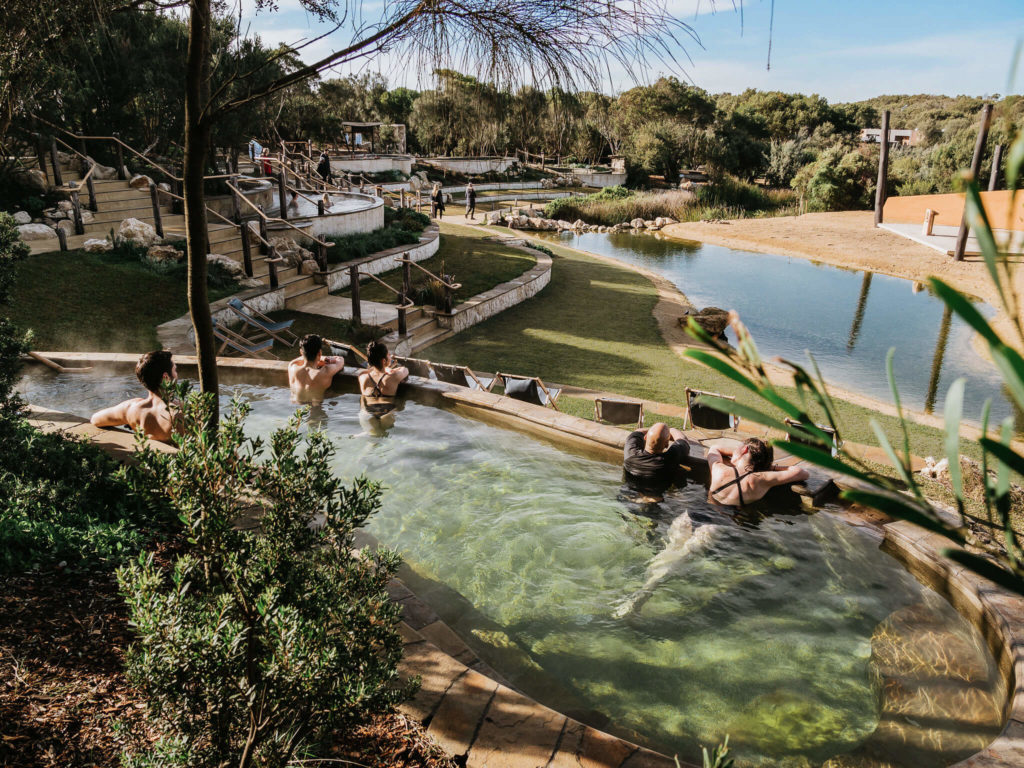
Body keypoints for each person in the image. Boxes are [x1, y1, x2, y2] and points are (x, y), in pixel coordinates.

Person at [90, 350, 179, 442]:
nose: (177, 374)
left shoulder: (131, 408)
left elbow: (95, 419)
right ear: (166, 377)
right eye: (175, 370)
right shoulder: (182, 412)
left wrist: (131, 421)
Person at [707, 438, 808, 507]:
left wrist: (736, 456)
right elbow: (802, 473)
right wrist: (768, 467)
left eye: (737, 447)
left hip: (709, 519)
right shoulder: (762, 479)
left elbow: (714, 448)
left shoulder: (719, 470)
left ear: (744, 449)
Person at [622, 423, 690, 500]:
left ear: (645, 437)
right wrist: (669, 430)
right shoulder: (671, 458)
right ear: (667, 444)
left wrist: (654, 432)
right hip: (655, 502)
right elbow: (682, 439)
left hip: (628, 498)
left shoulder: (631, 453)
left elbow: (638, 432)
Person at [357, 341, 409, 432]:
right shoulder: (393, 377)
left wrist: (385, 368)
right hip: (387, 414)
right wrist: (389, 369)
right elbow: (405, 369)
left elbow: (366, 371)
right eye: (388, 355)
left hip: (366, 414)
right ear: (384, 360)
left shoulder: (362, 377)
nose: (390, 356)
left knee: (373, 440)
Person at [288, 334, 345, 404]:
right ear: (319, 353)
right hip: (316, 410)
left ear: (301, 352)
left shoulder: (292, 366)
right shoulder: (325, 372)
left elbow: (300, 358)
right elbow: (340, 360)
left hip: (295, 409)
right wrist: (325, 358)